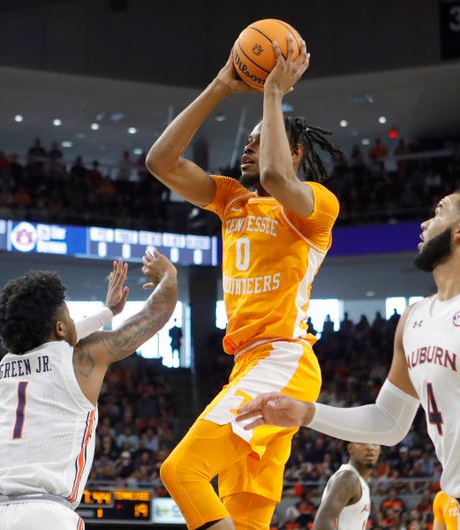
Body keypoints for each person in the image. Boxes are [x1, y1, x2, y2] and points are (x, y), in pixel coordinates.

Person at [237, 189, 460, 530]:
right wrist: (305, 412)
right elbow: (389, 421)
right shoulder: (413, 318)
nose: (424, 223)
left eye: (438, 212)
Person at [147, 35, 341, 530]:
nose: (248, 146)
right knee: (245, 519)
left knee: (182, 471)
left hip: (283, 359)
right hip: (247, 364)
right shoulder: (231, 198)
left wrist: (273, 93)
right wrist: (220, 85)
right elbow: (160, 163)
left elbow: (278, 178)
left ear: (295, 150)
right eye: (248, 139)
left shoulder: (316, 205)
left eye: (260, 138)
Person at [0, 252, 177, 530]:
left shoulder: (5, 366)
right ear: (60, 327)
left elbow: (65, 336)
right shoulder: (80, 359)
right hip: (44, 515)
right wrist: (170, 278)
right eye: (68, 314)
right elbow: (155, 315)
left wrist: (108, 311)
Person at [313, 442, 379, 530]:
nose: (370, 447)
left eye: (375, 443)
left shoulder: (359, 480)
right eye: (362, 443)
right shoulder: (348, 478)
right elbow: (321, 524)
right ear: (350, 448)